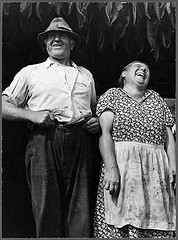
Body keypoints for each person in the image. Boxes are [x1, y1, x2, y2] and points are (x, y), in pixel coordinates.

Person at [2, 17, 100, 238]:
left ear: (72, 43)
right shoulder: (31, 72)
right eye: (50, 37)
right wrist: (31, 115)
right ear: (45, 44)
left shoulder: (85, 75)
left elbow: (92, 109)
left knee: (80, 208)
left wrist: (95, 122)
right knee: (46, 206)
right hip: (44, 139)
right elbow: (3, 105)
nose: (56, 38)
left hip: (80, 141)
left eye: (62, 35)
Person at [94, 61, 176, 238]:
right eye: (137, 66)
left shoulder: (156, 98)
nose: (143, 70)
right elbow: (105, 134)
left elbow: (169, 136)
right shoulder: (113, 95)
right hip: (122, 170)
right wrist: (111, 169)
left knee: (157, 224)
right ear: (124, 73)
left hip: (155, 172)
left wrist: (173, 167)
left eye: (147, 69)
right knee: (119, 225)